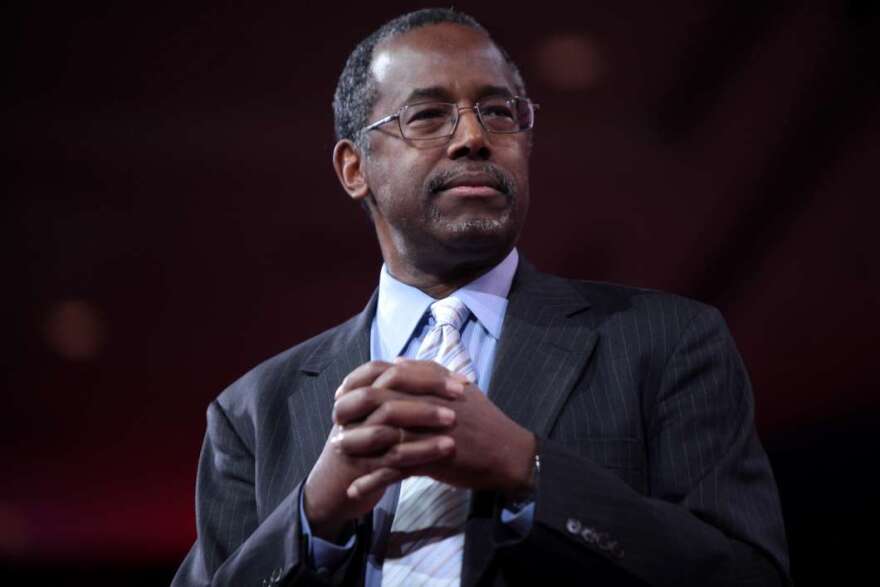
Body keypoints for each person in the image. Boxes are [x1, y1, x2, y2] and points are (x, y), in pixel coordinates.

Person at [173, 8, 790, 586]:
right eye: (428, 116)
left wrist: (530, 469)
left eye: (499, 112)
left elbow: (748, 574)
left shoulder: (667, 344)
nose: (474, 137)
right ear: (353, 167)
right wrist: (311, 517)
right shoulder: (255, 412)